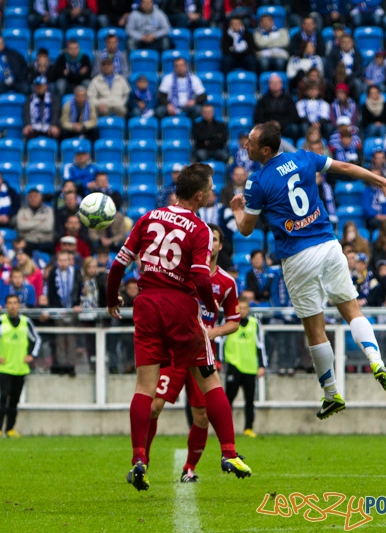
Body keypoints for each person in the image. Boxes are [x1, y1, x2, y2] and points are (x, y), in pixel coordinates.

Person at [231, 121, 386, 420]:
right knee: (351, 310)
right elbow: (346, 168)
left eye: (252, 142)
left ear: (265, 150)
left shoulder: (257, 182)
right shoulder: (304, 156)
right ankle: (376, 360)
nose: (246, 145)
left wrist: (236, 208)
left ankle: (332, 394)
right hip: (329, 245)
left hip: (297, 257)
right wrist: (381, 181)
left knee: (315, 329)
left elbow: (245, 229)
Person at [108, 164, 251, 491]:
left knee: (144, 388)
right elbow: (201, 277)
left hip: (146, 303)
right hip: (180, 307)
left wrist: (110, 298)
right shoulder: (199, 228)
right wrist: (211, 306)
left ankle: (138, 458)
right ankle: (228, 451)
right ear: (200, 195)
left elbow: (119, 264)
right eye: (212, 187)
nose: (214, 191)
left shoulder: (149, 217)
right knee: (210, 379)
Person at [143, 223, 241, 483]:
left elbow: (235, 320)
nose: (211, 245)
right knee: (154, 407)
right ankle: (143, 461)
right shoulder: (182, 273)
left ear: (220, 245)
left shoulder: (226, 282)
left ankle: (188, 468)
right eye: (208, 240)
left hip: (202, 351)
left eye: (216, 240)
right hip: (175, 350)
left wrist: (214, 332)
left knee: (202, 416)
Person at [0, 294, 41, 438]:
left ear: (19, 305)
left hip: (20, 368)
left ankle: (10, 429)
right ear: (6, 305)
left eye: (15, 303)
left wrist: (32, 355)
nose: (13, 306)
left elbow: (37, 339)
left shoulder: (26, 322)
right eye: (10, 303)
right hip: (5, 367)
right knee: (3, 397)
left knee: (15, 400)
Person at [224, 294, 266, 437]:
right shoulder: (228, 323)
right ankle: (225, 430)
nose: (242, 311)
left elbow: (260, 345)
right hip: (233, 366)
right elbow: (220, 342)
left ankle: (248, 428)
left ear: (248, 309)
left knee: (249, 401)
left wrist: (261, 365)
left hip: (249, 367)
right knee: (227, 401)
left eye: (245, 308)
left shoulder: (254, 323)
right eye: (240, 308)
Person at [254, 74, 301, 142]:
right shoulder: (263, 100)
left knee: (294, 128)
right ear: (269, 85)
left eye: (276, 82)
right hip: (267, 127)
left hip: (284, 127)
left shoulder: (288, 99)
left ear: (281, 84)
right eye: (272, 83)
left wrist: (280, 123)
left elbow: (294, 117)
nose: (275, 85)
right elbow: (257, 117)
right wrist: (271, 123)